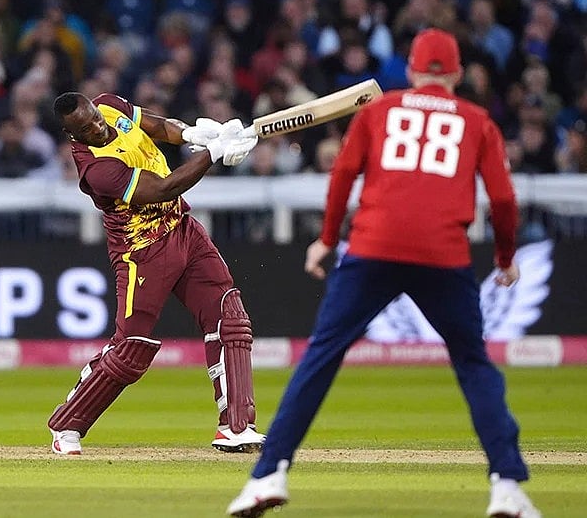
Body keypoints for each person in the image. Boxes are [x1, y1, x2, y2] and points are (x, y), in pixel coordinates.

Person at [227, 29, 540, 518]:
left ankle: (268, 476)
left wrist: (328, 240)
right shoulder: (479, 121)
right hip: (444, 254)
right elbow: (502, 199)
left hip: (372, 247)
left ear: (412, 70)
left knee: (321, 358)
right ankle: (507, 488)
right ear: (457, 75)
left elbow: (343, 176)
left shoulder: (380, 109)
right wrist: (504, 259)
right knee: (474, 365)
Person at [48, 91, 263, 455]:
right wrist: (212, 154)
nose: (99, 128)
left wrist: (193, 134)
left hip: (182, 228)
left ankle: (236, 426)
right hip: (142, 251)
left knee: (229, 316)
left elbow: (157, 125)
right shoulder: (96, 169)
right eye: (88, 129)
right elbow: (165, 188)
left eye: (97, 119)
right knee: (131, 348)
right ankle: (67, 422)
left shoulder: (108, 105)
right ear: (74, 136)